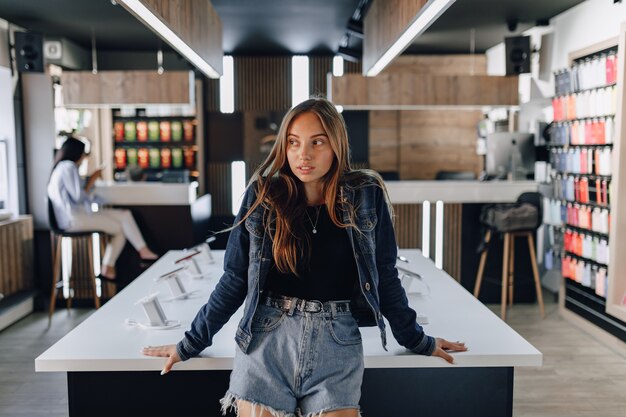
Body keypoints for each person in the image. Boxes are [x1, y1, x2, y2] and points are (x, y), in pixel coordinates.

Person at [142, 98, 467, 417]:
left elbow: (384, 275)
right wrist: (190, 343)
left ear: (337, 145)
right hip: (266, 340)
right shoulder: (263, 195)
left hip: (337, 341)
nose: (303, 154)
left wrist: (416, 339)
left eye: (317, 142)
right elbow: (234, 278)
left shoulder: (365, 194)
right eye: (294, 143)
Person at [47, 135, 158, 281]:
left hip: (74, 216)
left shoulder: (61, 167)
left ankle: (142, 251)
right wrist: (92, 178)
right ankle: (108, 265)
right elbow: (78, 197)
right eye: (84, 154)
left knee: (124, 215)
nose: (84, 157)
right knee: (121, 228)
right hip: (74, 219)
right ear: (77, 153)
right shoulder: (69, 167)